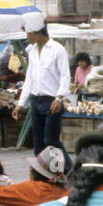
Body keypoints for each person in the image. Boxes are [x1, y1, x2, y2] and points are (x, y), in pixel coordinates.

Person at [11, 13, 71, 167]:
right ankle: (42, 172)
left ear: (38, 33)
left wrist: (59, 98)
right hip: (35, 100)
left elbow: (65, 76)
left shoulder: (57, 50)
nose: (28, 37)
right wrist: (20, 103)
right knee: (38, 142)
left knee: (51, 141)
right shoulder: (31, 51)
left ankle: (69, 169)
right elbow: (29, 79)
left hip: (51, 101)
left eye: (29, 34)